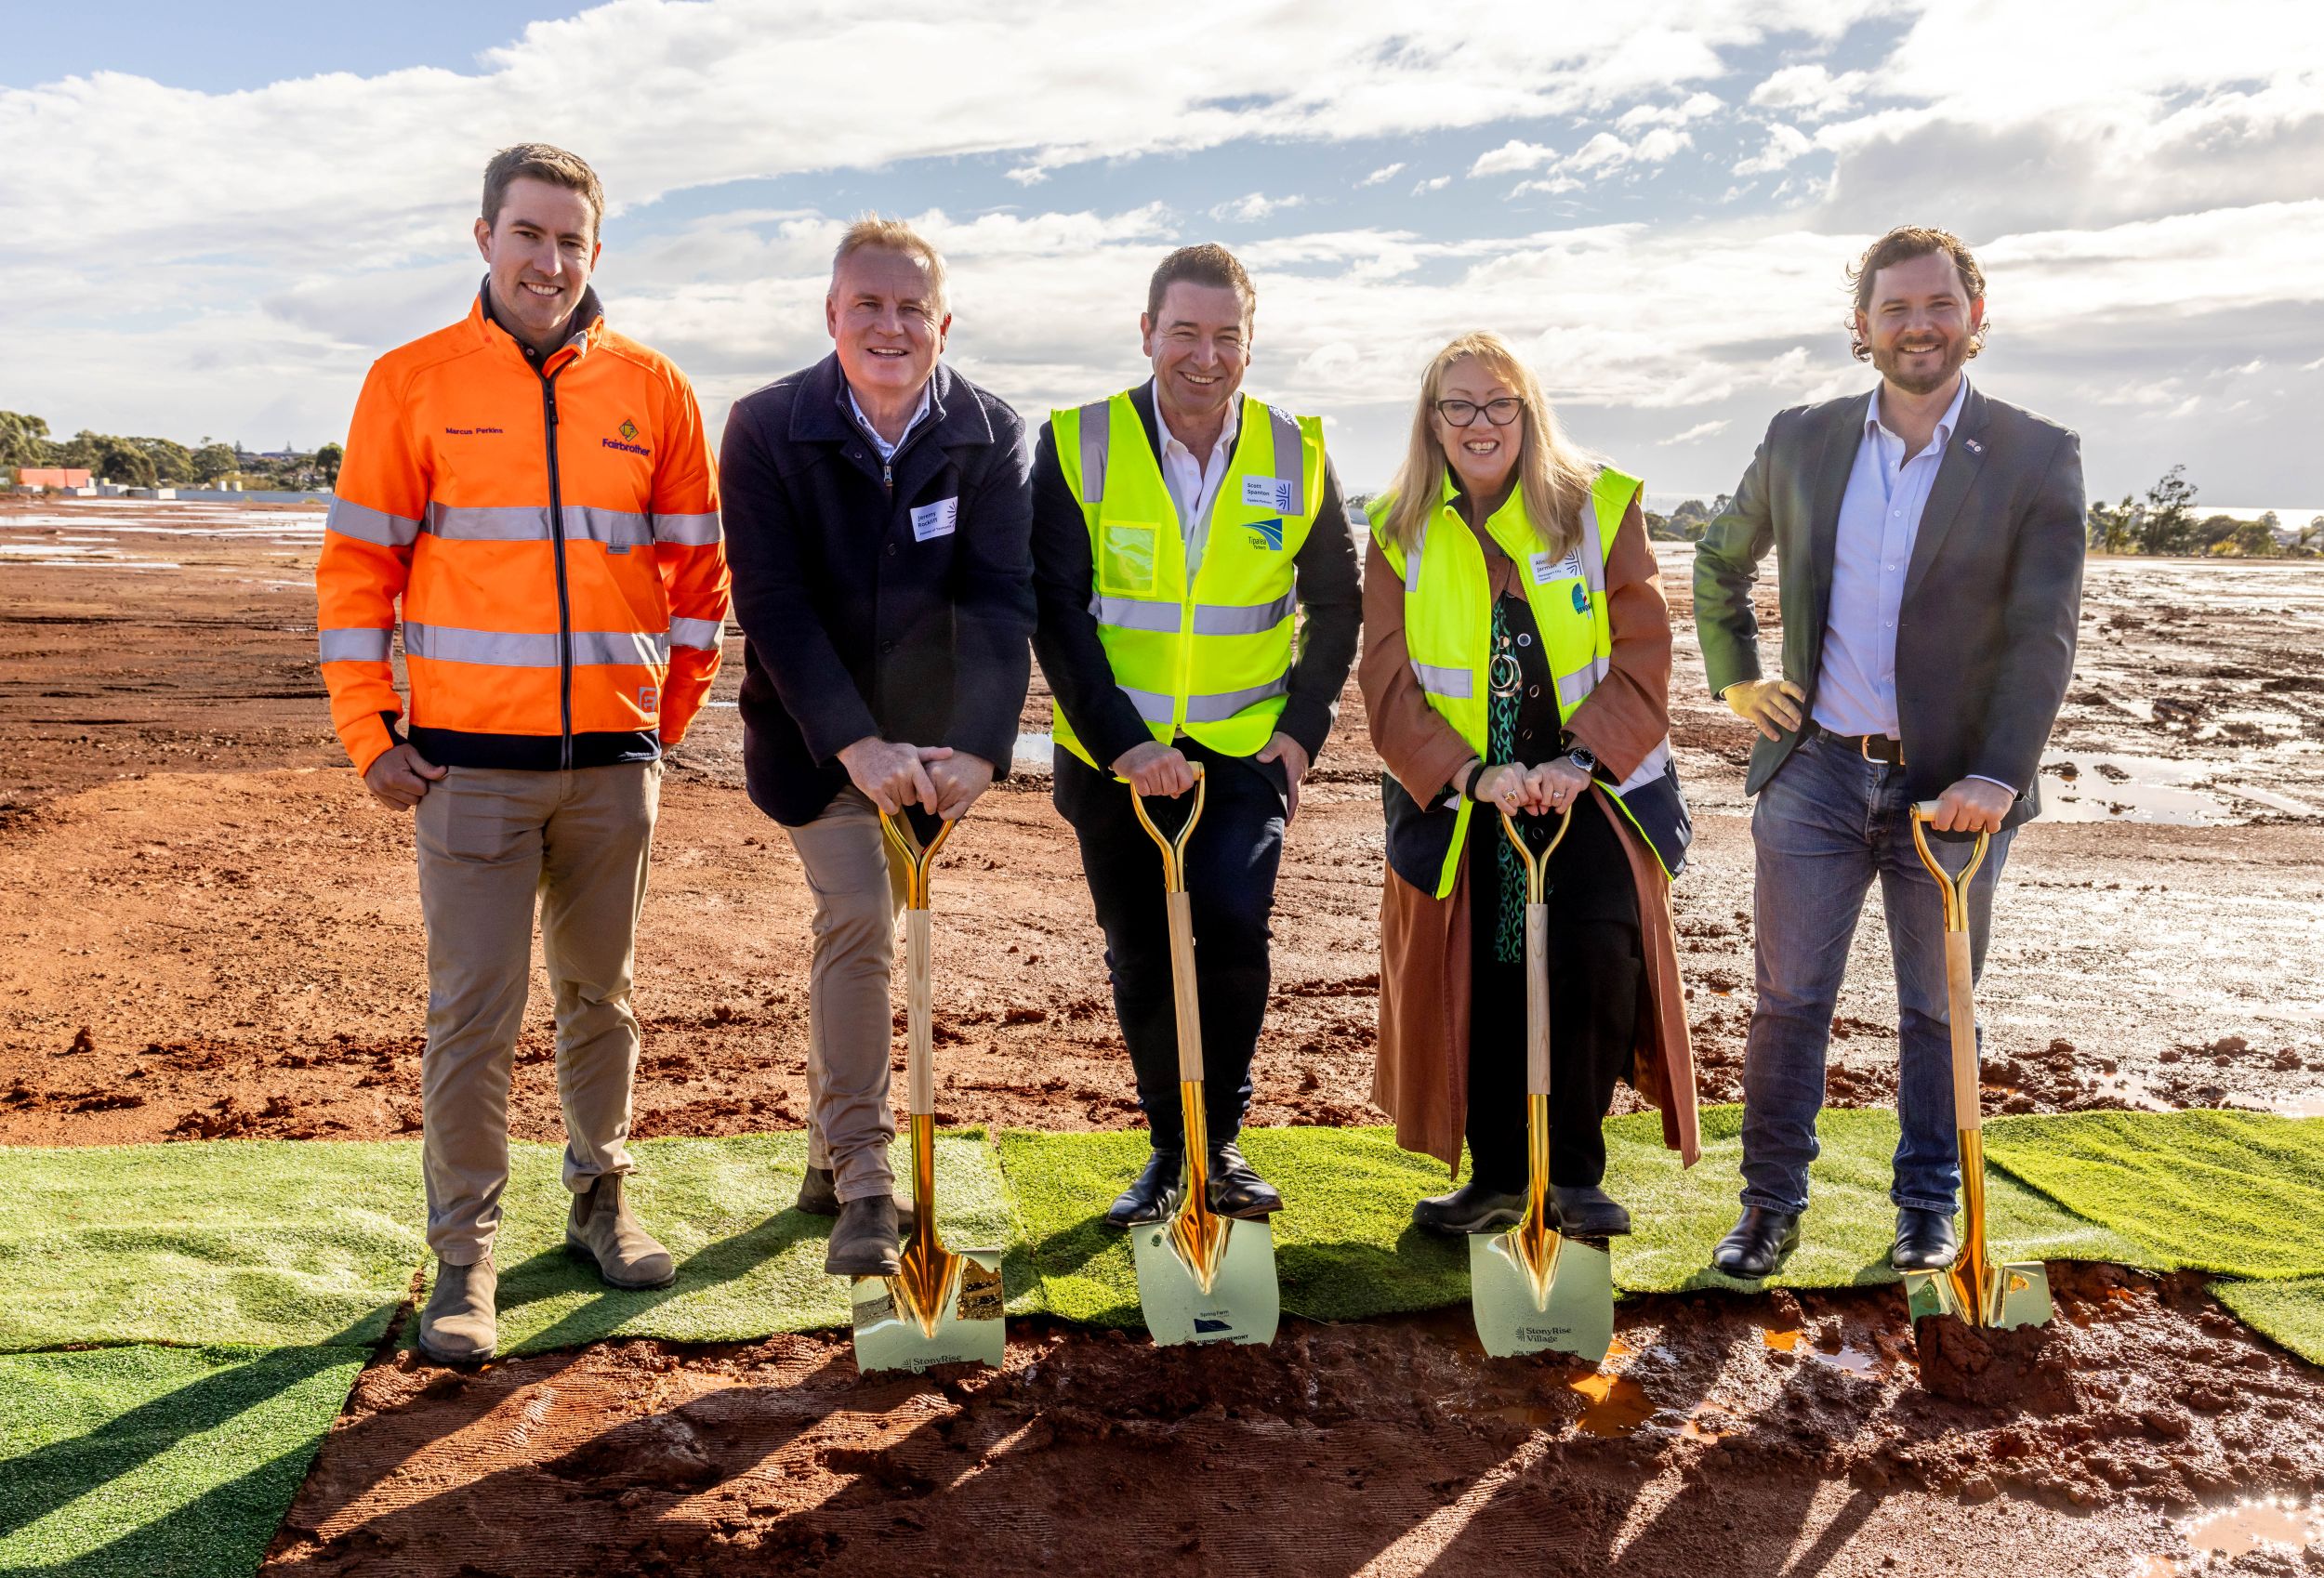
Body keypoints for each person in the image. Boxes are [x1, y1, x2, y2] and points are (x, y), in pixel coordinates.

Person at [316, 143, 731, 1363]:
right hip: (466, 774)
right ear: (484, 236)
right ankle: (465, 1260)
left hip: (613, 766)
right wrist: (368, 731)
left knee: (601, 1001)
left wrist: (666, 721)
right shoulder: (410, 381)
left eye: (572, 241)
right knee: (473, 1016)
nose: (550, 261)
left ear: (595, 252)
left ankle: (603, 1200)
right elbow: (357, 574)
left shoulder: (655, 389)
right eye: (529, 235)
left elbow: (700, 584)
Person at [1693, 225, 2086, 1279]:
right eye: (1896, 308)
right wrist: (1735, 676)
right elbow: (1719, 560)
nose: (1919, 325)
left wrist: (1996, 776)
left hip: (1952, 789)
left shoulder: (2035, 453)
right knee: (1788, 1001)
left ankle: (1926, 1209)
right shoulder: (1802, 438)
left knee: (1934, 1004)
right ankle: (1768, 1208)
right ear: (1860, 327)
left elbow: (2042, 632)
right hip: (1813, 770)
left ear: (1975, 317)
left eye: (1939, 304)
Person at [719, 218, 1035, 1277]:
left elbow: (998, 600)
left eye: (911, 309)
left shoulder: (991, 433)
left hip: (934, 749)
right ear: (832, 315)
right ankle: (865, 1178)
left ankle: (822, 1152)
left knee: (870, 927)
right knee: (860, 917)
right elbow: (772, 602)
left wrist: (981, 750)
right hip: (816, 742)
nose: (889, 327)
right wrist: (851, 740)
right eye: (869, 306)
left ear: (942, 324)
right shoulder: (766, 427)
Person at [1031, 243, 1362, 1227]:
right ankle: (1169, 1153)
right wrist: (1125, 743)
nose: (1203, 356)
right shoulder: (1078, 441)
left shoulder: (1295, 451)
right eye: (1184, 332)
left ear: (1249, 347)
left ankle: (1219, 1144)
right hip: (1112, 755)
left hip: (1241, 749)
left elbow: (1338, 603)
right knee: (1140, 950)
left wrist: (1302, 729)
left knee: (1226, 929)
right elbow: (1054, 607)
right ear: (1148, 335)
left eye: (1226, 336)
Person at [1360, 332, 1699, 1233]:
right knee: (1484, 971)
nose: (1478, 422)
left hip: (1594, 784)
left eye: (1496, 403)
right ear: (1431, 421)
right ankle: (1500, 1176)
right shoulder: (1401, 527)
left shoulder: (1597, 506)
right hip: (1469, 796)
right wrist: (1475, 776)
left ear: (1526, 412)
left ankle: (1574, 1174)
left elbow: (1644, 654)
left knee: (1591, 957)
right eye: (1457, 405)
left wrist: (1578, 762)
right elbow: (1387, 685)